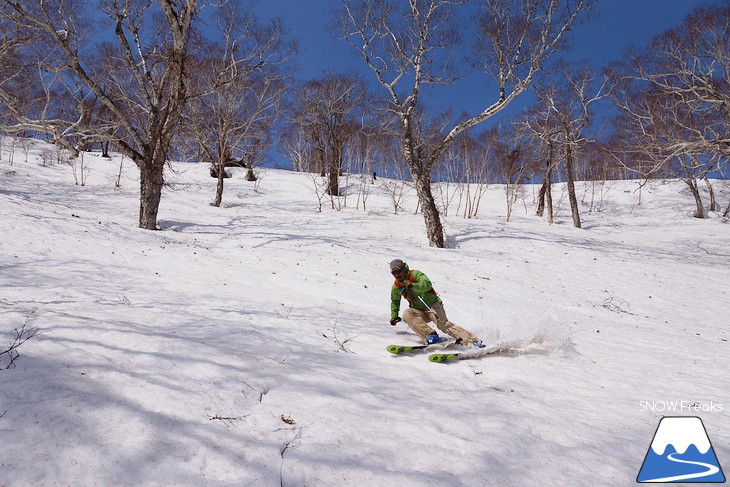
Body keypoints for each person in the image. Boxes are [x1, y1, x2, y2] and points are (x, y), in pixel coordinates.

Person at [389, 259, 485, 347]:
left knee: (443, 325)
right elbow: (395, 301)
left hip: (432, 305)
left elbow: (427, 285)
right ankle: (431, 335)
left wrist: (413, 285)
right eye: (394, 273)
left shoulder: (415, 274)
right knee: (407, 314)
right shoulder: (396, 286)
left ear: (404, 269)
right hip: (419, 310)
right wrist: (394, 316)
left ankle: (472, 341)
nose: (396, 275)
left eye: (398, 272)